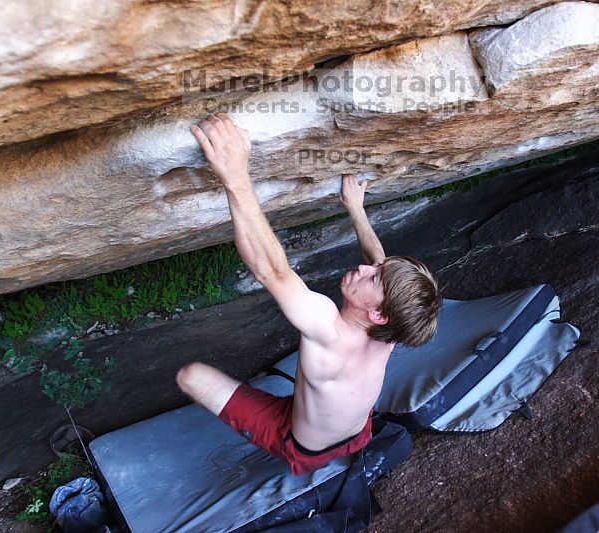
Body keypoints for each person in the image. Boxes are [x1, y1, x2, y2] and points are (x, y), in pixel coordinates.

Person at [176, 113, 441, 475]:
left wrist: (234, 172)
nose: (364, 268)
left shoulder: (328, 329)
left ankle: (298, 452)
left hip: (301, 445)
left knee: (190, 376)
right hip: (357, 430)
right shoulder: (393, 328)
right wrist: (356, 210)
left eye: (373, 279)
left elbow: (270, 271)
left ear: (379, 314)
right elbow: (380, 260)